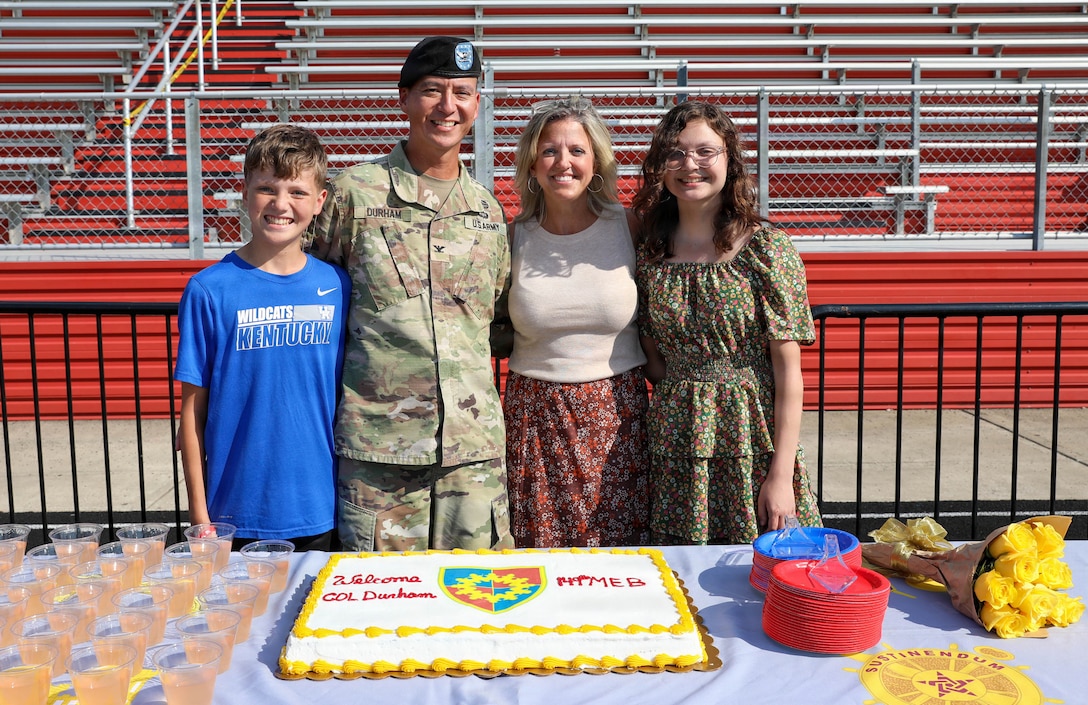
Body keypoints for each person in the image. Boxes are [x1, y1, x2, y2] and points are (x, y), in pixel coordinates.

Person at [307, 36, 513, 552]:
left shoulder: (487, 212)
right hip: (380, 458)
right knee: (379, 612)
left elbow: (497, 323)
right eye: (431, 91)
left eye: (462, 93)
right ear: (403, 98)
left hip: (472, 457)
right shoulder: (356, 194)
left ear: (477, 104)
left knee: (477, 606)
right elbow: (309, 295)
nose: (448, 107)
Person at [631, 100, 822, 545]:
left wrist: (780, 474)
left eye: (704, 152)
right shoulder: (651, 252)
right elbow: (654, 361)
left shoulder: (766, 249)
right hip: (674, 439)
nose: (689, 165)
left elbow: (788, 372)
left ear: (729, 160)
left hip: (748, 436)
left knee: (762, 573)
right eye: (675, 153)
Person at [175, 124, 350, 552]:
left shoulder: (339, 286)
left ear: (320, 200)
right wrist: (200, 517)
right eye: (267, 188)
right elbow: (192, 414)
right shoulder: (209, 290)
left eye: (297, 191)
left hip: (320, 506)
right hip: (234, 514)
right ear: (246, 193)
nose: (281, 204)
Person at [496, 97, 650, 548]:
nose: (563, 162)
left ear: (597, 160)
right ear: (531, 163)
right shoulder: (512, 236)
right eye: (549, 151)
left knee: (619, 559)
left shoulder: (631, 227)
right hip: (534, 417)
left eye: (577, 151)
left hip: (616, 416)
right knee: (539, 556)